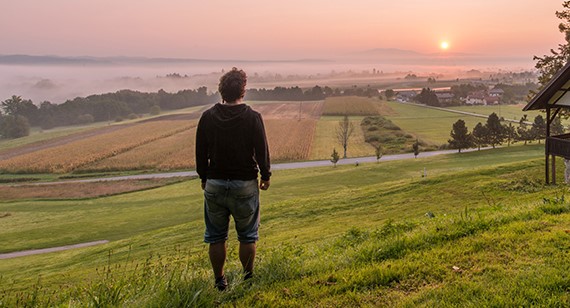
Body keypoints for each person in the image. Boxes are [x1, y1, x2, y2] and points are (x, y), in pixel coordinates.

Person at [195, 67, 271, 291]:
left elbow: (200, 152)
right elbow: (262, 150)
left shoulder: (207, 117)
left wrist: (203, 178)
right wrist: (265, 176)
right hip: (245, 184)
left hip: (215, 183)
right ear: (243, 91)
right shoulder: (253, 117)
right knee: (247, 236)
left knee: (216, 236)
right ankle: (248, 279)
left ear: (221, 91)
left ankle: (220, 281)